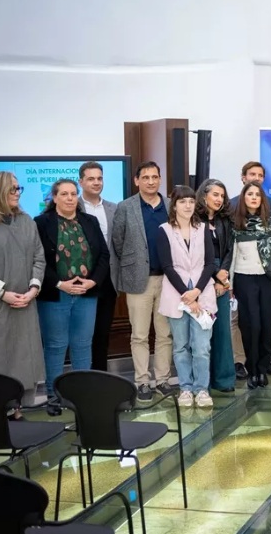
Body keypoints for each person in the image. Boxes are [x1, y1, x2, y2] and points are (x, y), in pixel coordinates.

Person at [0, 172, 45, 416]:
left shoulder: (26, 221)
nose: (17, 193)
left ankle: (18, 406)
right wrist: (3, 293)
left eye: (18, 188)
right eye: (12, 189)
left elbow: (39, 258)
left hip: (25, 302)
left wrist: (33, 289)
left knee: (25, 357)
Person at [34, 179, 109, 416]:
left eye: (73, 194)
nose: (69, 198)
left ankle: (81, 396)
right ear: (54, 197)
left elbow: (103, 255)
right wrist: (59, 283)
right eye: (64, 194)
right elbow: (37, 259)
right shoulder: (41, 223)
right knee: (55, 346)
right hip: (55, 294)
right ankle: (53, 398)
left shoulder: (90, 221)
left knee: (83, 345)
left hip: (86, 293)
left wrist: (92, 281)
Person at [112, 162, 175, 402]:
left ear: (160, 179)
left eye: (155, 177)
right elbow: (118, 242)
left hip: (169, 281)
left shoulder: (170, 205)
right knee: (139, 335)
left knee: (165, 334)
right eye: (146, 177)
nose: (151, 181)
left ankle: (163, 379)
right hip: (139, 280)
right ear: (137, 181)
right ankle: (142, 382)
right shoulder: (125, 207)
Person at [157, 185, 218, 408]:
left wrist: (197, 292)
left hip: (203, 292)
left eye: (191, 201)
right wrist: (186, 294)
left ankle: (201, 389)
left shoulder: (203, 229)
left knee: (202, 347)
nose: (188, 206)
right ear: (174, 205)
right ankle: (185, 388)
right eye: (182, 202)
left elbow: (210, 263)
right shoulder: (164, 230)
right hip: (176, 295)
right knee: (181, 346)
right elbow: (167, 266)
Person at [230, 182, 271, 389]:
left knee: (266, 326)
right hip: (244, 278)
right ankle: (252, 370)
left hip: (268, 278)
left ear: (262, 198)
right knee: (250, 326)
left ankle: (262, 369)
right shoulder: (235, 220)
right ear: (243, 197)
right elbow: (232, 254)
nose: (254, 197)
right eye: (250, 194)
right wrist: (230, 284)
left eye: (257, 194)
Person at [78, 161, 118, 372]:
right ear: (81, 182)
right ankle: (81, 377)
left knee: (102, 332)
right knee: (82, 333)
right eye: (91, 178)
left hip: (108, 279)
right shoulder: (72, 206)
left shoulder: (114, 208)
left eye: (99, 178)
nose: (96, 182)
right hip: (80, 280)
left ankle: (101, 377)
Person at [197, 179, 236, 393]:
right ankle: (203, 381)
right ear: (204, 196)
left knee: (222, 331)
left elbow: (230, 249)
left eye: (222, 195)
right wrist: (214, 275)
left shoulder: (225, 220)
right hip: (201, 277)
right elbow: (196, 253)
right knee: (202, 332)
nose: (219, 199)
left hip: (222, 275)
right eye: (215, 194)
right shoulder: (194, 219)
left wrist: (222, 278)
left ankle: (224, 380)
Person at [229, 161, 267, 379]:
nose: (256, 178)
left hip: (263, 275)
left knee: (261, 320)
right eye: (252, 174)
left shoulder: (270, 207)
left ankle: (261, 362)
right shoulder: (232, 206)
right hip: (239, 273)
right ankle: (239, 361)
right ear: (243, 177)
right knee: (239, 321)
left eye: (260, 175)